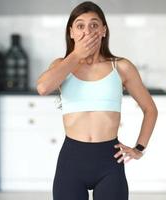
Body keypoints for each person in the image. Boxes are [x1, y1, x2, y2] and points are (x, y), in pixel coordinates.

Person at [36, 1, 158, 200]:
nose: (87, 31)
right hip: (71, 162)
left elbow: (150, 109)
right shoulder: (62, 65)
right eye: (80, 26)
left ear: (103, 30)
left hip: (109, 162)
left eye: (94, 25)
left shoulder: (121, 67)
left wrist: (139, 149)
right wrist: (76, 55)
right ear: (72, 33)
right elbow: (43, 88)